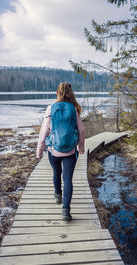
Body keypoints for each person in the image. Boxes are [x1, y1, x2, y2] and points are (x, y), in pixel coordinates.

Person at [36, 82, 85, 221]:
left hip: (54, 151)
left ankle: (58, 196)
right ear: (71, 93)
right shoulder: (74, 108)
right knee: (68, 179)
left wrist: (40, 149)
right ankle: (65, 212)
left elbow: (44, 131)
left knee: (56, 173)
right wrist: (81, 147)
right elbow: (81, 130)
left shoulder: (50, 108)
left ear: (57, 93)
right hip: (70, 152)